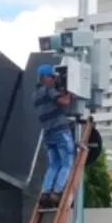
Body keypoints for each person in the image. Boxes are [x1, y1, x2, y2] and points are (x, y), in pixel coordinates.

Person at [33, 64, 75, 208]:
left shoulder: (36, 93)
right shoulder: (48, 90)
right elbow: (63, 101)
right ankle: (56, 192)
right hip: (60, 131)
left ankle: (45, 193)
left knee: (53, 164)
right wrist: (71, 93)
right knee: (67, 162)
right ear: (45, 77)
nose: (53, 80)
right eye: (51, 77)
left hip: (48, 134)